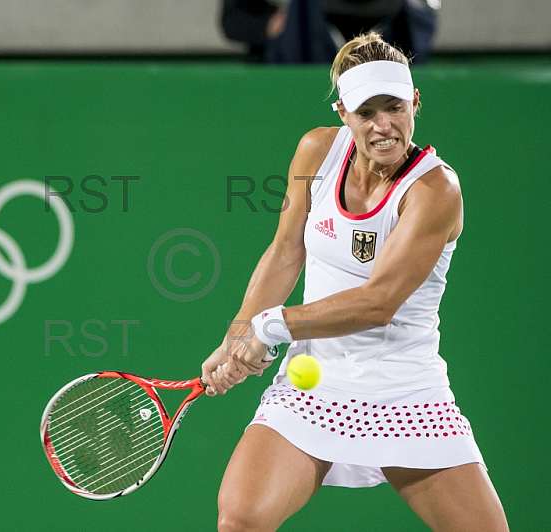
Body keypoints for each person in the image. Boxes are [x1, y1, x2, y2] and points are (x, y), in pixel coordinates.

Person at [201, 31, 509, 531]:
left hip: (406, 389)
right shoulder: (315, 151)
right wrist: (237, 334)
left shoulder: (435, 191)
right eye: (366, 113)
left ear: (415, 102)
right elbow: (285, 250)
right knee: (240, 518)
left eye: (394, 108)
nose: (383, 126)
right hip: (315, 382)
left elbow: (378, 303)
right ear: (343, 113)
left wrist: (270, 327)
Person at [220, 0, 437, 64]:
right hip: (301, 49)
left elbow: (423, 15)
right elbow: (233, 20)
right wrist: (270, 23)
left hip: (388, 34)